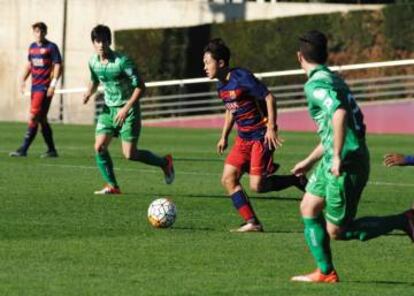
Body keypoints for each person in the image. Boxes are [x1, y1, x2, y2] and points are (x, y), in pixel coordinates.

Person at [290, 30, 414, 283]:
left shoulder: (316, 84)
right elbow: (333, 129)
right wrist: (310, 161)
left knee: (337, 231)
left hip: (347, 163)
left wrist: (335, 156)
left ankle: (404, 220)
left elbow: (338, 115)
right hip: (335, 159)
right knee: (308, 206)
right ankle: (325, 272)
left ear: (299, 57)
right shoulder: (333, 78)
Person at [203, 38, 307, 233]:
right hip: (242, 139)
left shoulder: (242, 77)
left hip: (260, 136)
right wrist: (224, 135)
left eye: (208, 62)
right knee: (228, 179)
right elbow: (230, 109)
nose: (205, 67)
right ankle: (252, 222)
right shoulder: (221, 86)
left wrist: (271, 127)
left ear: (221, 63)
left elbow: (269, 97)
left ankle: (295, 179)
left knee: (258, 186)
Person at [83, 25, 174, 195]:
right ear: (93, 43)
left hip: (128, 110)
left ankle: (164, 162)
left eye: (104, 40)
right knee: (99, 147)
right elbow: (95, 80)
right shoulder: (93, 62)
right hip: (109, 110)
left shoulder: (122, 62)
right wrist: (89, 92)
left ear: (109, 41)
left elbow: (141, 87)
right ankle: (112, 186)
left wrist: (126, 108)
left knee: (130, 154)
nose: (101, 44)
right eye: (98, 41)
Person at [10, 22, 61, 157]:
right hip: (35, 87)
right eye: (36, 32)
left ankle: (24, 149)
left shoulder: (51, 47)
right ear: (33, 33)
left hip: (44, 88)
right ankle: (52, 150)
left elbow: (57, 66)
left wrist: (53, 84)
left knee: (33, 116)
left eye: (41, 32)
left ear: (45, 32)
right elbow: (29, 65)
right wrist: (22, 80)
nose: (39, 34)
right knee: (42, 119)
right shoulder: (32, 48)